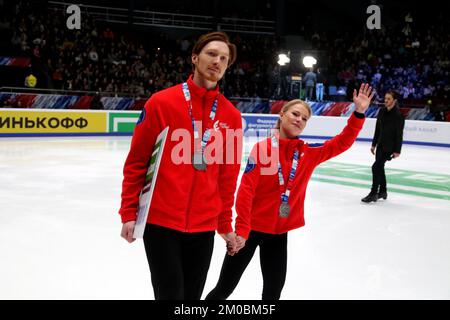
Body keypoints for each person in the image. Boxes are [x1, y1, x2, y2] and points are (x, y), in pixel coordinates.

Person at [205, 83, 375, 300]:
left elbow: (341, 143)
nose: (299, 120)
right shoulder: (263, 149)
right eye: (295, 114)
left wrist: (359, 112)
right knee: (224, 289)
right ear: (282, 114)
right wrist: (242, 232)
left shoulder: (308, 153)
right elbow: (246, 191)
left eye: (304, 119)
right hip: (249, 232)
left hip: (278, 236)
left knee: (273, 294)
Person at [118, 31, 243, 300]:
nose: (217, 61)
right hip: (161, 223)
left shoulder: (231, 116)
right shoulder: (161, 103)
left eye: (224, 58)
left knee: (192, 297)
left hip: (203, 227)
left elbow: (228, 176)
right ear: (195, 57)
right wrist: (129, 212)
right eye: (212, 54)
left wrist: (224, 223)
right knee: (171, 294)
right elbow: (137, 162)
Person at [362, 90, 405, 203]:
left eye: (389, 99)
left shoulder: (399, 115)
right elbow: (377, 129)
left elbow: (399, 134)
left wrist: (397, 150)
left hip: (390, 148)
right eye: (385, 98)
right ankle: (383, 191)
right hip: (380, 145)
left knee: (375, 167)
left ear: (394, 101)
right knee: (380, 168)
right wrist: (373, 144)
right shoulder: (381, 111)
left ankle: (373, 193)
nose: (386, 101)